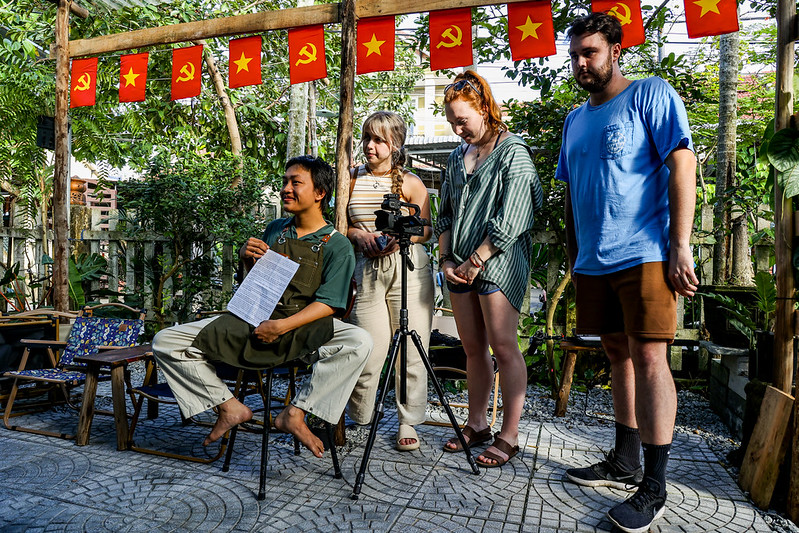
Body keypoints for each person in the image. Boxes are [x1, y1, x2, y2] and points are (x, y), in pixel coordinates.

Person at [556, 13, 698, 533]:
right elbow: (573, 194)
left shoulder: (649, 94)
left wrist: (680, 245)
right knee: (616, 352)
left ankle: (654, 486)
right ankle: (624, 459)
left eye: (590, 52)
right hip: (593, 260)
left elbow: (683, 163)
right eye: (574, 55)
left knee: (650, 356)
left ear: (616, 50)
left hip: (645, 251)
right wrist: (576, 260)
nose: (581, 63)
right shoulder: (574, 120)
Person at [152, 155, 373, 458]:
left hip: (302, 328)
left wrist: (281, 326)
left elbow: (329, 304)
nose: (286, 188)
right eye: (285, 181)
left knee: (359, 341)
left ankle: (296, 413)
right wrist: (246, 260)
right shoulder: (275, 230)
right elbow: (256, 287)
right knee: (166, 341)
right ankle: (229, 406)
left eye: (296, 182)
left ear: (320, 193)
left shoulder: (337, 245)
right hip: (256, 319)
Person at [437, 70, 543, 468]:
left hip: (497, 263)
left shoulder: (513, 151)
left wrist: (476, 259)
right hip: (460, 266)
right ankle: (477, 423)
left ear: (484, 108)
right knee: (471, 348)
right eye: (452, 122)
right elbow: (445, 213)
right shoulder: (456, 156)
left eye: (462, 120)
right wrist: (448, 259)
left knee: (503, 346)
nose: (457, 129)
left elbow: (515, 215)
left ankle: (509, 435)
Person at [345, 111, 434, 452]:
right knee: (368, 346)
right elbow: (338, 224)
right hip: (366, 268)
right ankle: (360, 414)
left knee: (411, 349)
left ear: (395, 144)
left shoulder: (411, 182)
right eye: (367, 138)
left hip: (408, 268)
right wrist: (357, 235)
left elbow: (427, 229)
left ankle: (407, 420)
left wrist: (402, 239)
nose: (370, 145)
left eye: (379, 140)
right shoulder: (350, 177)